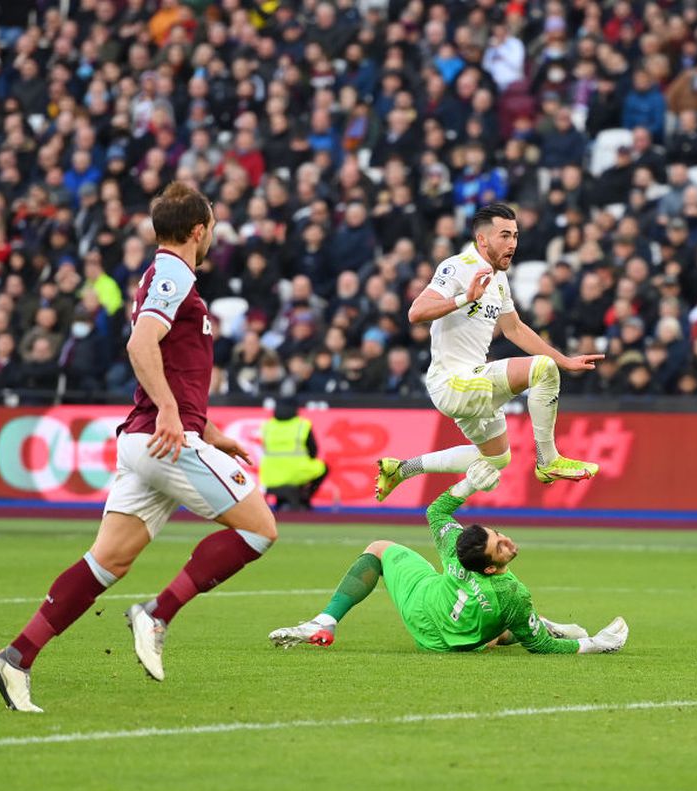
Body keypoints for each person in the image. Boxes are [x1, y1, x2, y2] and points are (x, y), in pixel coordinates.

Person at [0, 183, 279, 712]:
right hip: (164, 438)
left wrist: (206, 429)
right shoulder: (173, 272)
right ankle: (157, 613)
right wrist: (172, 413)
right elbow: (140, 344)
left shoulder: (168, 275)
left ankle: (16, 656)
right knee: (260, 529)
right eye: (210, 225)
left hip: (156, 437)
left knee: (108, 561)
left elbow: (170, 366)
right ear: (198, 231)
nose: (211, 234)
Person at [269, 462, 628, 654]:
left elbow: (437, 513)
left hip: (425, 606)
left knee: (378, 549)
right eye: (500, 545)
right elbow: (542, 648)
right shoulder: (511, 592)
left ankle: (326, 620)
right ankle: (536, 622)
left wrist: (467, 485)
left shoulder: (458, 549)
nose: (507, 541)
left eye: (499, 534)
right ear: (491, 567)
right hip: (454, 639)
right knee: (506, 626)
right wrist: (595, 644)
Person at [374, 203, 604, 501]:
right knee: (542, 370)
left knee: (497, 460)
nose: (512, 244)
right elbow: (416, 313)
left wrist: (565, 360)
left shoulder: (498, 278)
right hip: (452, 381)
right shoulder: (457, 266)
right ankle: (548, 461)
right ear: (482, 240)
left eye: (516, 236)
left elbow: (515, 329)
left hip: (470, 381)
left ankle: (401, 469)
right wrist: (462, 298)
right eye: (505, 236)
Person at [258, 397, 328, 510]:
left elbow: (264, 448)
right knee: (323, 468)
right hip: (296, 474)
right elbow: (313, 451)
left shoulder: (267, 426)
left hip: (269, 476)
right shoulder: (302, 425)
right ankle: (304, 499)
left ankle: (284, 502)